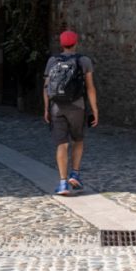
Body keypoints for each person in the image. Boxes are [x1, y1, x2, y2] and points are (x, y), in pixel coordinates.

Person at [43, 30, 99, 196]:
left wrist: (46, 108)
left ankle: (62, 183)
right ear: (76, 43)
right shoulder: (84, 60)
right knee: (78, 140)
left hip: (56, 107)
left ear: (61, 44)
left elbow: (46, 87)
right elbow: (90, 87)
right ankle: (75, 173)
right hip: (77, 106)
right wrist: (95, 109)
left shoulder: (52, 61)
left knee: (62, 144)